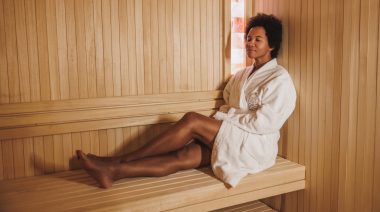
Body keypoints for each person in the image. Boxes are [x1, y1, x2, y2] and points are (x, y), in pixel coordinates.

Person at [76, 13, 296, 189]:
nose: (250, 43)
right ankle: (113, 173)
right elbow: (227, 104)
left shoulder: (280, 79)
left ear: (271, 45)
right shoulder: (241, 74)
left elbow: (265, 124)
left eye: (258, 39)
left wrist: (224, 123)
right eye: (248, 38)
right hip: (231, 134)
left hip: (254, 144)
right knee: (183, 156)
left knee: (192, 120)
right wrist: (223, 122)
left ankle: (118, 161)